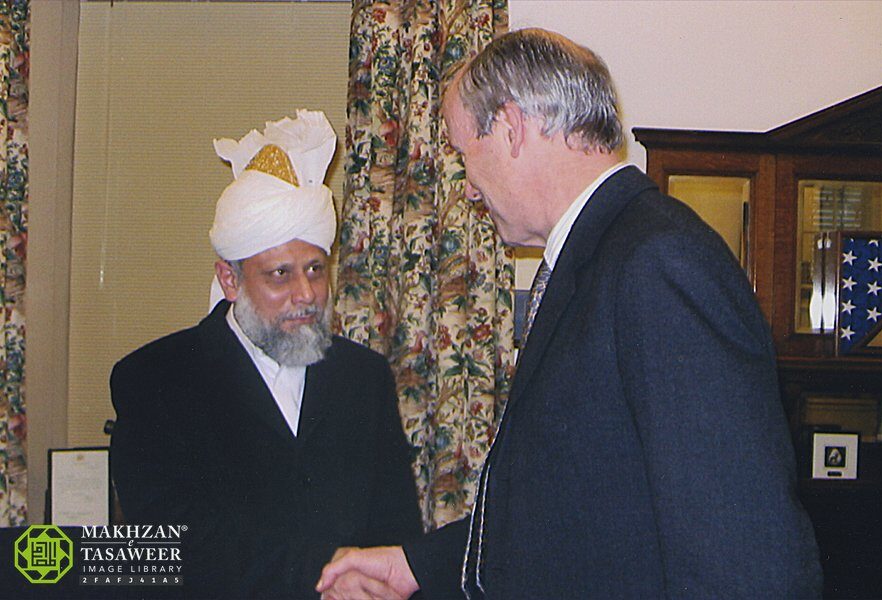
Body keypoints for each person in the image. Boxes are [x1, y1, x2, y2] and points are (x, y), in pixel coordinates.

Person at [316, 29, 822, 599]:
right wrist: (418, 565)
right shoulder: (599, 256)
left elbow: (742, 555)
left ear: (511, 129)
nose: (469, 188)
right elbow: (566, 509)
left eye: (463, 154)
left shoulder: (657, 262)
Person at [109, 110, 422, 599]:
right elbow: (173, 549)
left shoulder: (363, 377)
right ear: (230, 280)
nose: (307, 293)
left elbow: (397, 526)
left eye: (316, 269)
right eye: (280, 274)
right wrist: (323, 570)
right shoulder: (156, 380)